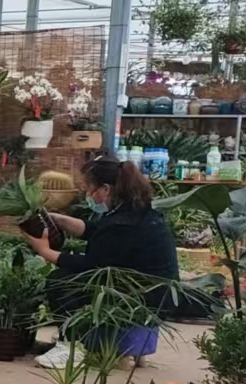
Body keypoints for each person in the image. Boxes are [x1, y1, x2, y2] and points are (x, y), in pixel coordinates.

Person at [23, 156, 180, 368]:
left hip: (143, 298)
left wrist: (45, 251)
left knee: (61, 280)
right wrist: (59, 220)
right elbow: (97, 231)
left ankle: (72, 347)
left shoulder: (122, 224)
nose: (88, 195)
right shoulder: (135, 212)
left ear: (105, 189)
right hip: (153, 292)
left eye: (89, 188)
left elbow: (92, 266)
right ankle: (129, 349)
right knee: (73, 277)